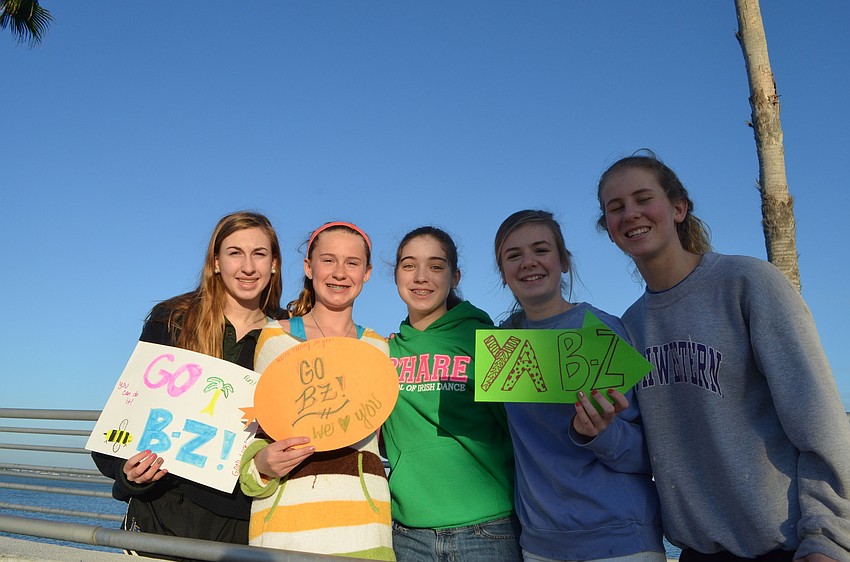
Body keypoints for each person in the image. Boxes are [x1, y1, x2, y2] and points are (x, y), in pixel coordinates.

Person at [596, 151, 850, 562]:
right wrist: (597, 430)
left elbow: (820, 422)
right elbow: (648, 447)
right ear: (608, 229)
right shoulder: (629, 326)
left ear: (678, 208)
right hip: (696, 551)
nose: (631, 214)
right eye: (616, 207)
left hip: (789, 548)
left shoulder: (747, 283)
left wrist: (828, 539)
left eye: (643, 199)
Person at [92, 211, 285, 560]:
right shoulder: (171, 321)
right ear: (216, 262)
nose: (248, 266)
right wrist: (127, 473)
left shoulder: (288, 337)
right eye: (235, 253)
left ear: (274, 264)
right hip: (158, 517)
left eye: (259, 254)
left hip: (240, 526)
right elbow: (122, 419)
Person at [493, 209, 665, 562]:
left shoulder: (602, 330)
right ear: (503, 274)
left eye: (541, 250)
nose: (528, 262)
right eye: (514, 255)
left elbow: (656, 450)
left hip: (621, 541)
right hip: (540, 546)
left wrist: (601, 433)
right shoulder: (501, 346)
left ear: (564, 262)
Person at [238, 221, 394, 561]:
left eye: (352, 263)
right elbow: (253, 436)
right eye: (328, 260)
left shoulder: (379, 348)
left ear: (367, 273)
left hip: (365, 528)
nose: (339, 273)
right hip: (284, 531)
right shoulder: (274, 339)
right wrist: (262, 466)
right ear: (309, 267)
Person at [381, 226, 521, 562]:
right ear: (396, 274)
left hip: (488, 530)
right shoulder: (383, 353)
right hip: (408, 534)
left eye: (436, 266)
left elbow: (519, 431)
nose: (421, 277)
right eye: (409, 265)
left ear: (454, 277)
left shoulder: (489, 342)